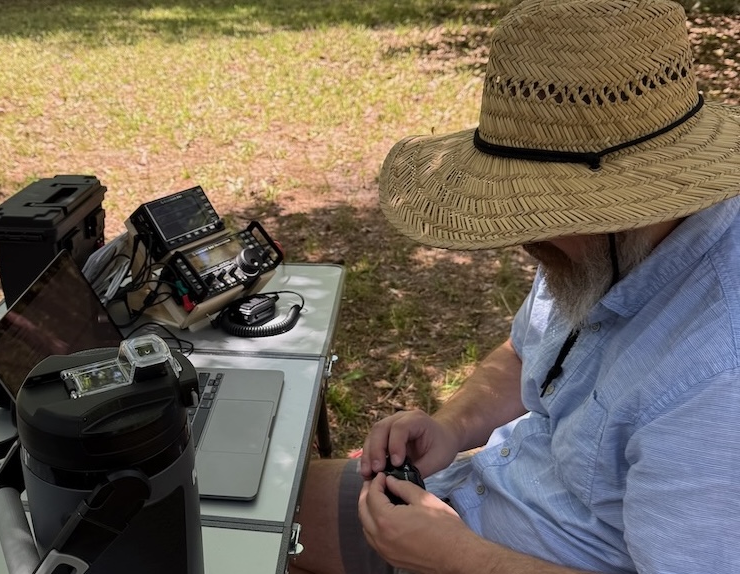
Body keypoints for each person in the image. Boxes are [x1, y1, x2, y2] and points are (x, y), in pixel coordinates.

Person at [289, 0, 740, 572]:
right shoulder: (601, 247)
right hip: (468, 505)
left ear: (627, 208)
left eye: (543, 214)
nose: (525, 241)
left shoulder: (716, 376)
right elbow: (530, 350)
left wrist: (456, 556)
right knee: (245, 506)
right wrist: (451, 427)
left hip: (466, 553)